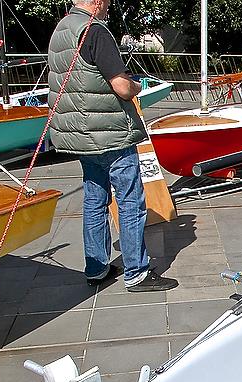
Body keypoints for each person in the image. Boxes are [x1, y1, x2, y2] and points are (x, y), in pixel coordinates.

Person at [47, 0, 177, 292]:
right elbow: (120, 85)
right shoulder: (95, 31)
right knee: (130, 200)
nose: (109, 8)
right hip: (110, 133)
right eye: (106, 3)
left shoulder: (61, 29)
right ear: (97, 2)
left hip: (79, 135)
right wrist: (137, 87)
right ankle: (137, 272)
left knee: (94, 200)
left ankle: (96, 267)